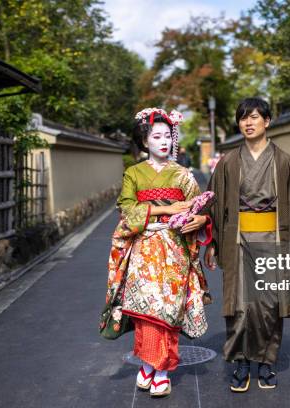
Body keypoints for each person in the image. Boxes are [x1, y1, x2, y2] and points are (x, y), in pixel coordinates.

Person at [204, 97, 290, 392]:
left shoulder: (284, 161)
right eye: (243, 118)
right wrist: (212, 242)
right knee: (240, 306)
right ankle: (242, 363)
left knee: (269, 305)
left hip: (275, 240)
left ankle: (267, 363)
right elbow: (214, 203)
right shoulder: (229, 162)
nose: (248, 122)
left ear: (267, 121)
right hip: (238, 240)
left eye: (254, 117)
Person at [100, 107, 212, 398]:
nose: (163, 142)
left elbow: (200, 207)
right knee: (146, 308)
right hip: (145, 247)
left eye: (167, 136)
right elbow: (126, 208)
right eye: (156, 136)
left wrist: (198, 218)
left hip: (175, 247)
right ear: (144, 141)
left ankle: (161, 370)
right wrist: (166, 209)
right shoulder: (133, 174)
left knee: (170, 308)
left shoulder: (183, 175)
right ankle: (150, 364)